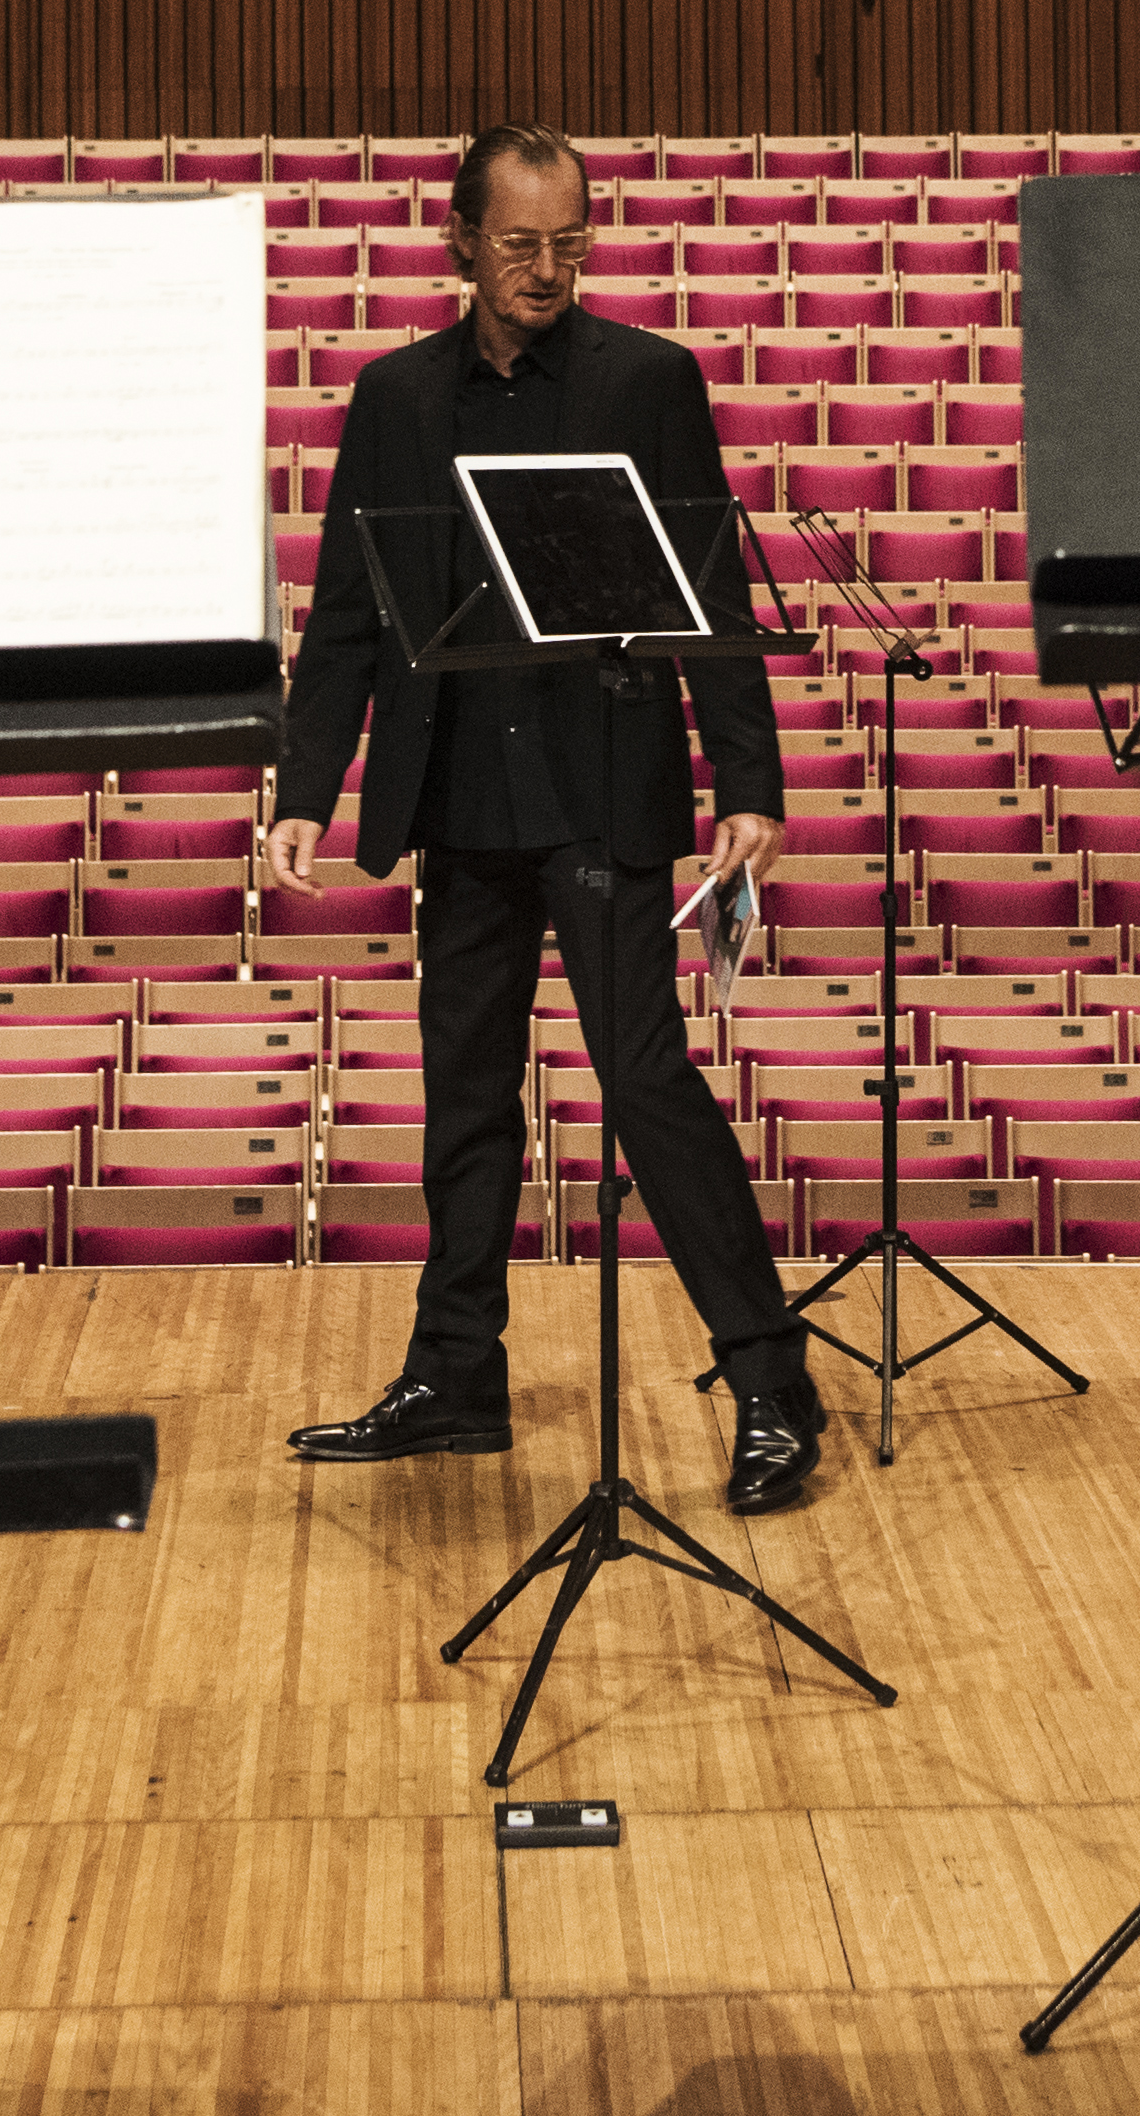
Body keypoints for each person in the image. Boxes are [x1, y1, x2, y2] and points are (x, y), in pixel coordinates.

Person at [262, 125, 822, 1515]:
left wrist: (748, 784)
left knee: (644, 1083)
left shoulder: (649, 380)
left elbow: (712, 601)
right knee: (466, 1096)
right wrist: (301, 791)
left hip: (600, 788)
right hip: (458, 798)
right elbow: (346, 615)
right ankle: (456, 1373)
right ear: (461, 240)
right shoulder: (394, 397)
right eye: (520, 244)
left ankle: (770, 1376)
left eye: (570, 241)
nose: (548, 268)